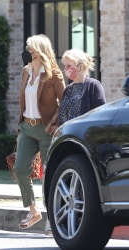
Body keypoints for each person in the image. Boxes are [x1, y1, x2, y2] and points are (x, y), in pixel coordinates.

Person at [13, 34, 65, 229]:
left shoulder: (53, 74)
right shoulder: (26, 71)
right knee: (19, 170)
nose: (27, 52)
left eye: (30, 49)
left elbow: (64, 103)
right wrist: (20, 127)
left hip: (46, 131)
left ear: (39, 51)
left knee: (49, 174)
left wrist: (54, 124)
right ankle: (33, 211)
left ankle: (53, 217)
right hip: (27, 127)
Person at [59, 49, 106, 124]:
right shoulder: (68, 89)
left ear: (80, 66)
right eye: (65, 66)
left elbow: (101, 112)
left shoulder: (93, 85)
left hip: (85, 133)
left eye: (69, 66)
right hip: (68, 133)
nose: (65, 69)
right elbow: (62, 116)